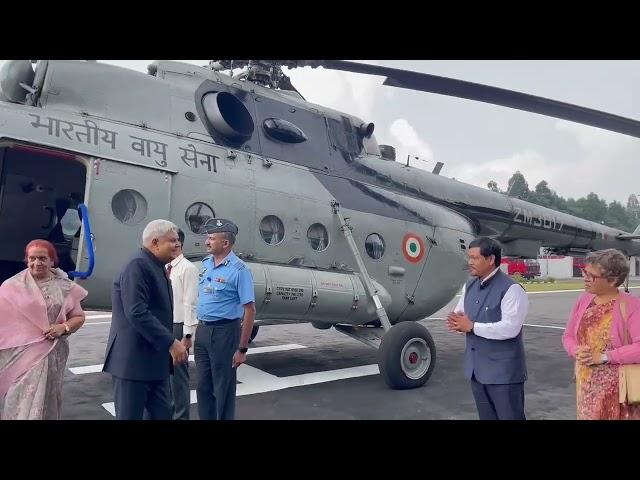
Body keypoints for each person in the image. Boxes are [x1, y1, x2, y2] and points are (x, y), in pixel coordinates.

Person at [103, 219, 188, 420]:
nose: (177, 245)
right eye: (172, 240)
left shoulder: (156, 265)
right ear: (155, 243)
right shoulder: (138, 265)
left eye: (177, 240)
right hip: (134, 363)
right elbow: (136, 312)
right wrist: (171, 342)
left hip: (154, 363)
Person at [0, 239, 87, 419]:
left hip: (51, 352)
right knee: (17, 400)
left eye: (42, 258)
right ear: (27, 260)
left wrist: (63, 327)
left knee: (45, 400)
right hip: (19, 354)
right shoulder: (11, 286)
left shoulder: (64, 286)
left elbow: (79, 316)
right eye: (32, 258)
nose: (37, 263)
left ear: (52, 261)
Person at [447, 236, 529, 420]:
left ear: (491, 259)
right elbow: (460, 312)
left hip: (503, 375)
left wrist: (472, 326)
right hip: (477, 371)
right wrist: (456, 321)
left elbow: (510, 328)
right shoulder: (469, 286)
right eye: (469, 257)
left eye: (475, 258)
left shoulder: (512, 289)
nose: (470, 262)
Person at [562, 249, 640, 420]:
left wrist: (605, 356)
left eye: (592, 275)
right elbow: (568, 336)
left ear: (612, 281)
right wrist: (575, 350)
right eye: (584, 272)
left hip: (618, 389)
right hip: (586, 385)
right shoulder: (583, 301)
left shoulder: (631, 305)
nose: (585, 278)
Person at [195, 218, 256, 420]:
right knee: (203, 387)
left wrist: (242, 349)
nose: (207, 242)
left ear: (225, 243)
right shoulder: (206, 264)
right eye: (208, 237)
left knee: (223, 389)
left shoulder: (239, 270)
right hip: (202, 331)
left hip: (224, 333)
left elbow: (250, 310)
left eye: (211, 238)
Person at [167, 228, 199, 420]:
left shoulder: (188, 268)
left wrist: (187, 336)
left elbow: (190, 304)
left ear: (178, 243)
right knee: (166, 379)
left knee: (178, 379)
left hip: (179, 327)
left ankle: (181, 417)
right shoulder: (165, 267)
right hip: (165, 326)